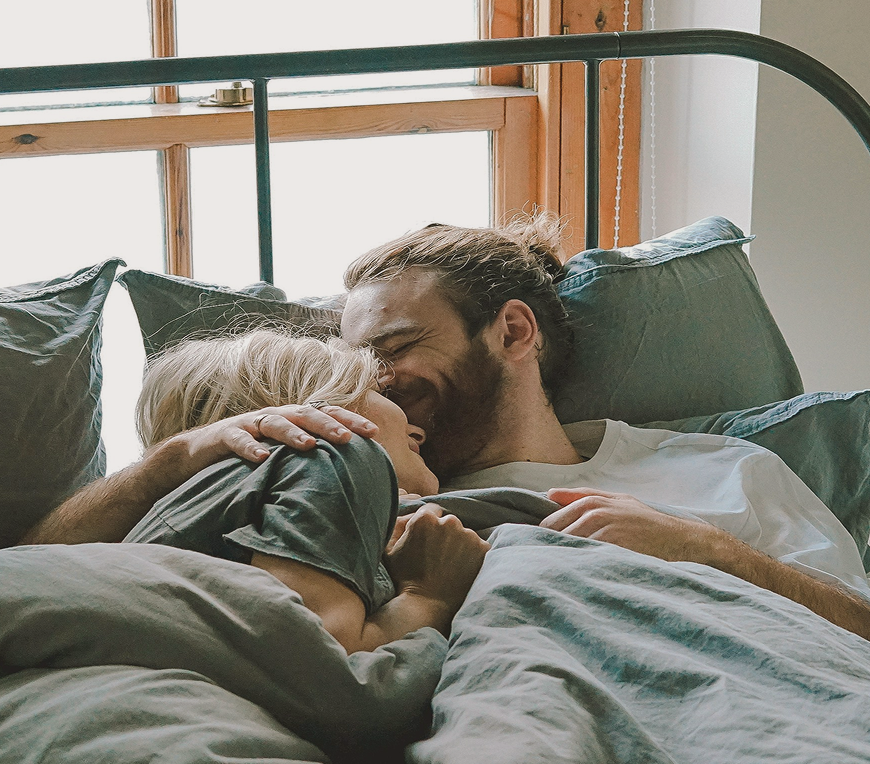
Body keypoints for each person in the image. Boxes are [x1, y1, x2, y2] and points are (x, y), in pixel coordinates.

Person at [23, 213, 870, 642]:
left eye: (395, 348)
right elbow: (55, 573)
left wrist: (709, 552)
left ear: (513, 333)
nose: (375, 383)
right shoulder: (343, 469)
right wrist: (169, 461)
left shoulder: (721, 472)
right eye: (357, 365)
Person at [35, 329, 490, 656]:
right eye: (375, 388)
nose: (417, 427)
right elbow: (325, 667)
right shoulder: (326, 457)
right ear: (320, 403)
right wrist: (428, 599)